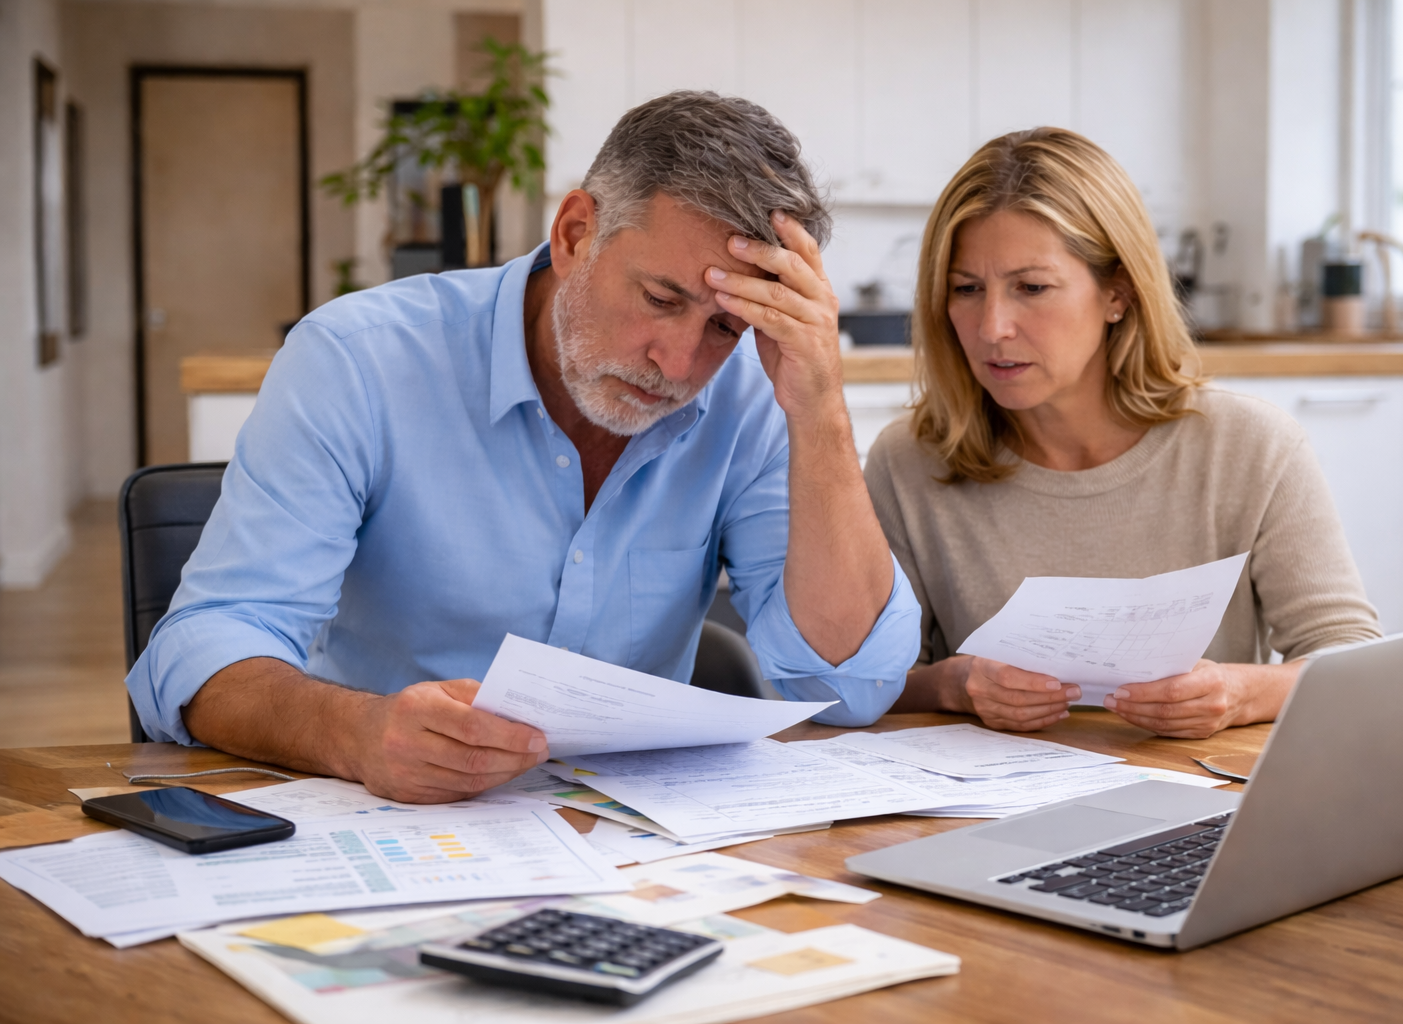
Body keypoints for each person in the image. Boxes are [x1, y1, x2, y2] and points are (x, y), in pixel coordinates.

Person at [127, 91, 919, 802]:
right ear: (576, 233)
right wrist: (353, 734)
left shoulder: (748, 397)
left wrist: (818, 411)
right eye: (659, 299)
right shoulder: (358, 360)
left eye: (724, 326)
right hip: (382, 819)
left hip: (636, 846)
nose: (677, 364)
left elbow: (846, 685)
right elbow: (206, 649)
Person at [866, 127, 1381, 740]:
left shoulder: (1252, 446)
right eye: (966, 289)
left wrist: (1240, 693)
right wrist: (955, 685)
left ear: (1118, 293)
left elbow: (1351, 658)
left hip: (1194, 801)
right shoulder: (909, 461)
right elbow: (864, 685)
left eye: (1031, 288)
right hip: (991, 808)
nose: (992, 326)